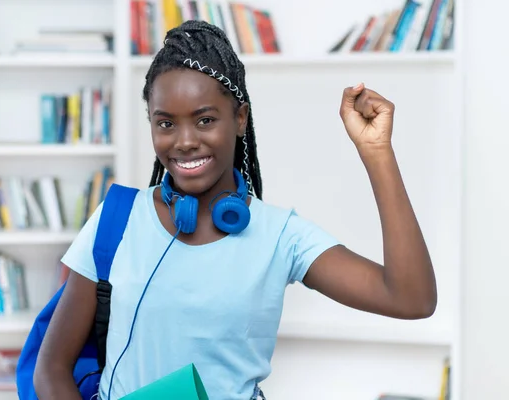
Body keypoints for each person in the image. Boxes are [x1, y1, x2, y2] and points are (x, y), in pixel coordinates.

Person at [33, 20, 437, 400]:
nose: (184, 141)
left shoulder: (283, 236)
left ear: (239, 118)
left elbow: (411, 299)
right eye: (166, 124)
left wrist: (377, 152)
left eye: (205, 120)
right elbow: (51, 367)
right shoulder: (116, 219)